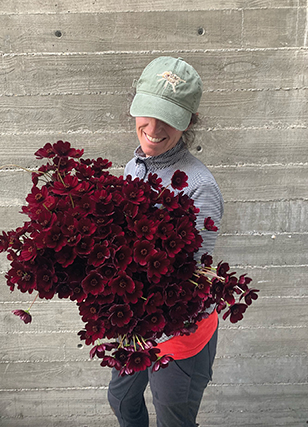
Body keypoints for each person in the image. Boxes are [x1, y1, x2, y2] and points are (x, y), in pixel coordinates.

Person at [108, 56, 224, 427]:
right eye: (148, 111)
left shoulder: (199, 186)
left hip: (179, 331)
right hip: (137, 321)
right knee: (121, 399)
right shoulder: (135, 165)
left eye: (169, 117)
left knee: (173, 417)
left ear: (188, 121)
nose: (154, 127)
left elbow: (193, 278)